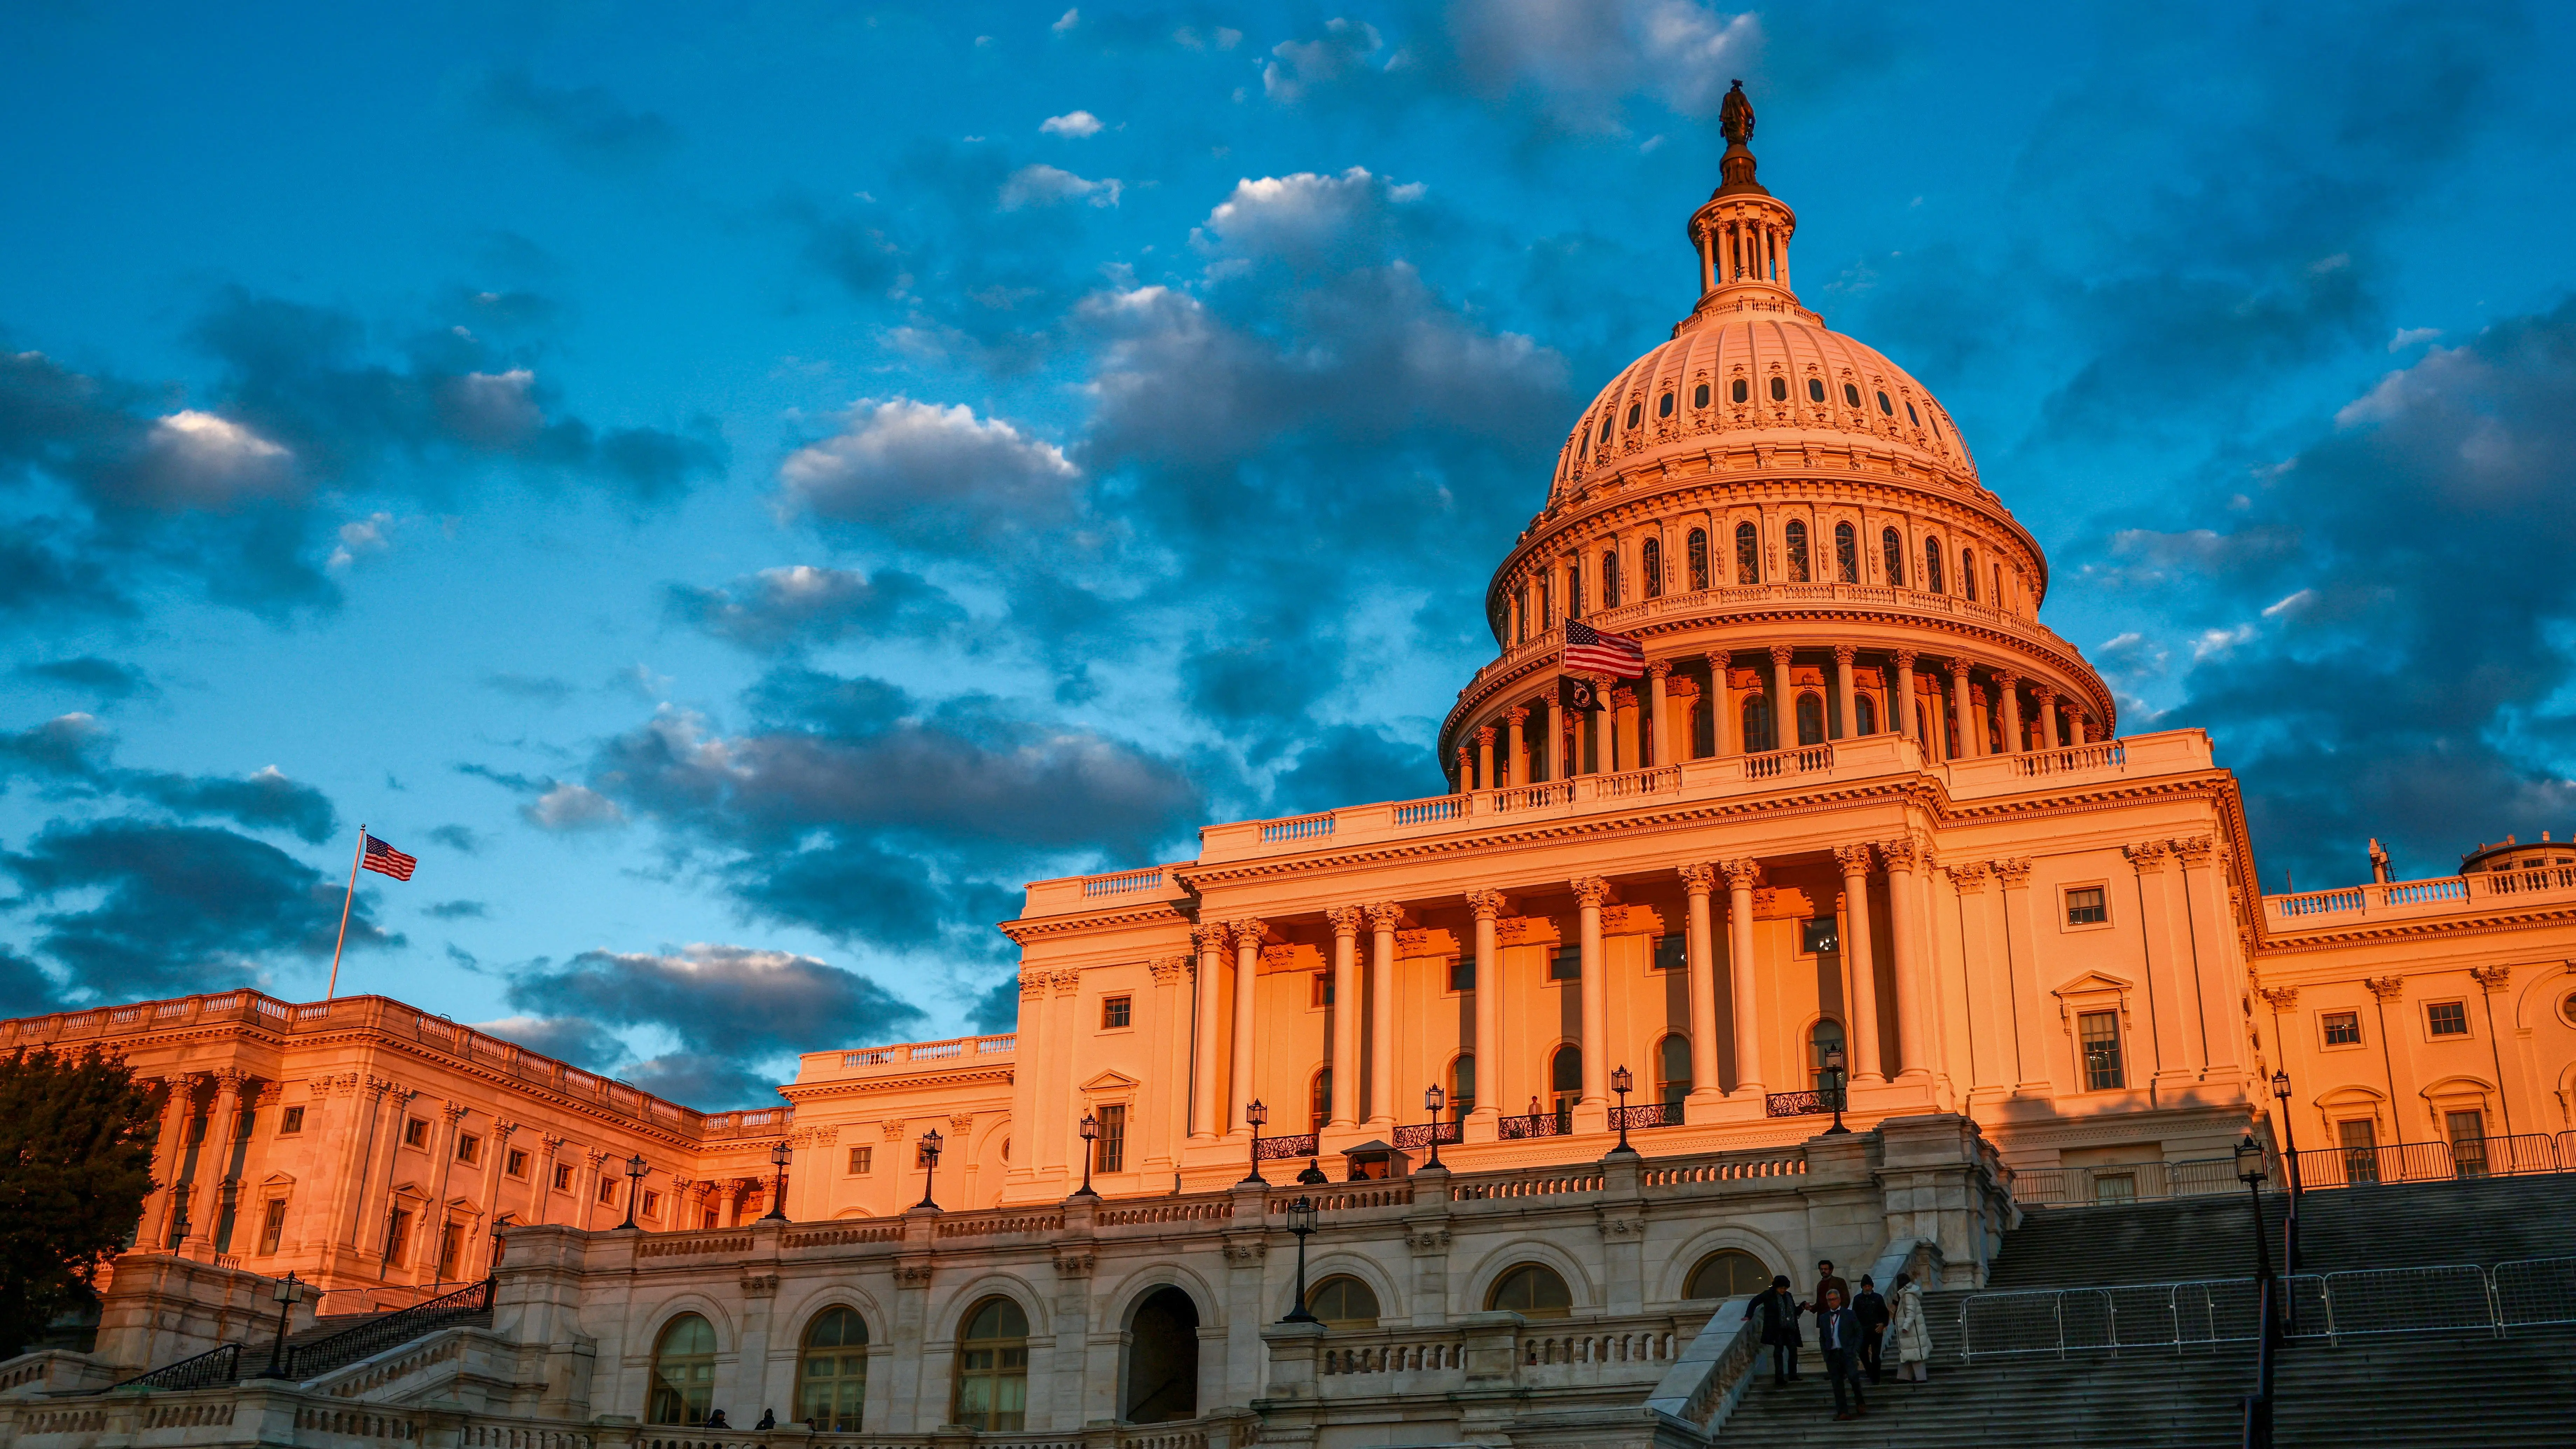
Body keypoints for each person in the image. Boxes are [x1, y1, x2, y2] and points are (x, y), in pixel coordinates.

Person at [1814, 1286, 1868, 1421]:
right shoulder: (1824, 1318)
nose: (1832, 1302)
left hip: (1847, 1353)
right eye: (1829, 1300)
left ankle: (1860, 1401)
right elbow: (1822, 1337)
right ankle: (1843, 1411)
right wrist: (1825, 1353)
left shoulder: (1849, 1314)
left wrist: (1854, 1349)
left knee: (1854, 1378)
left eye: (1834, 1299)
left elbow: (1859, 1332)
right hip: (1832, 1354)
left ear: (1839, 1300)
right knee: (1837, 1384)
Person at [1743, 1274, 1804, 1387]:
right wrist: (1749, 1316)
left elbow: (1794, 1312)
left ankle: (1793, 1375)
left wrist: (1803, 1307)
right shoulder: (1769, 1295)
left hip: (1790, 1328)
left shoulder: (1788, 1296)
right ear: (1776, 1287)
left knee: (1793, 1350)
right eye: (1782, 1288)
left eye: (1785, 1288)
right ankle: (1779, 1378)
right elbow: (1754, 1302)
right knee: (1778, 1352)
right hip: (1777, 1329)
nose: (1784, 1290)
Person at [1887, 1271, 1931, 1383]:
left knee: (1914, 1355)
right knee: (1908, 1354)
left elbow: (1911, 1313)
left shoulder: (1907, 1295)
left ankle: (1919, 1378)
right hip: (1913, 1331)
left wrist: (1906, 1326)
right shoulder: (1909, 1294)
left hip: (1911, 1331)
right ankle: (1904, 1377)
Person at [1852, 1273, 1889, 1384]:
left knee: (1876, 1355)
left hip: (1876, 1330)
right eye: (1865, 1286)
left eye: (1869, 1286)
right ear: (1862, 1287)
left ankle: (1876, 1378)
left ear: (1872, 1287)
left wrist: (1883, 1324)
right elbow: (1854, 1315)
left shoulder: (1878, 1298)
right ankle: (1870, 1371)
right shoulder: (1858, 1299)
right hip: (1863, 1331)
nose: (1867, 1288)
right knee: (1862, 1353)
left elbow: (1885, 1313)